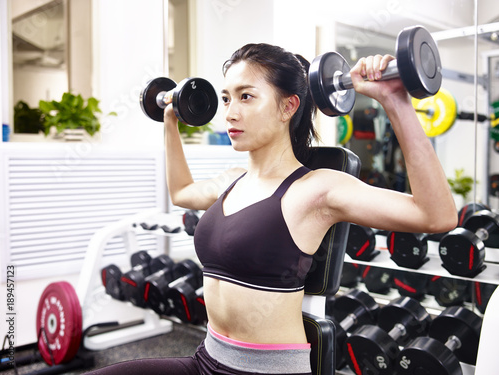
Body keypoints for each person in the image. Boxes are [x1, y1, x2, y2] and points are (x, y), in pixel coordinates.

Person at [86, 43, 457, 375]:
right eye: (227, 98)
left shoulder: (316, 189)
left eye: (246, 97)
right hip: (206, 359)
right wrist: (170, 118)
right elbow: (182, 191)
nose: (229, 113)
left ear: (287, 106)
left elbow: (436, 215)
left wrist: (394, 101)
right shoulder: (232, 181)